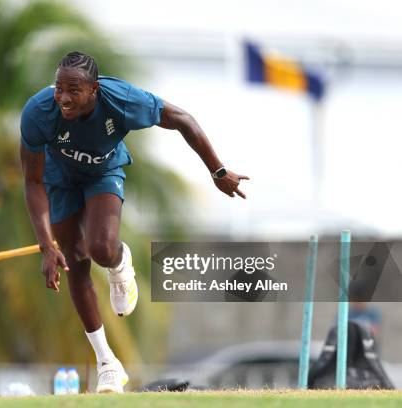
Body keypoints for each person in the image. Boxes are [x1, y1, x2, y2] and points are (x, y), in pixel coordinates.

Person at [20, 51, 249, 393]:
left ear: (94, 89)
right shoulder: (38, 112)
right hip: (58, 180)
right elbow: (32, 181)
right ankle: (107, 364)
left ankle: (119, 261)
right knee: (76, 261)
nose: (64, 98)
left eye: (73, 90)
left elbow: (183, 119)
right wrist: (44, 247)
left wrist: (217, 170)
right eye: (59, 88)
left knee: (100, 249)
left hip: (103, 172)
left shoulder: (122, 99)